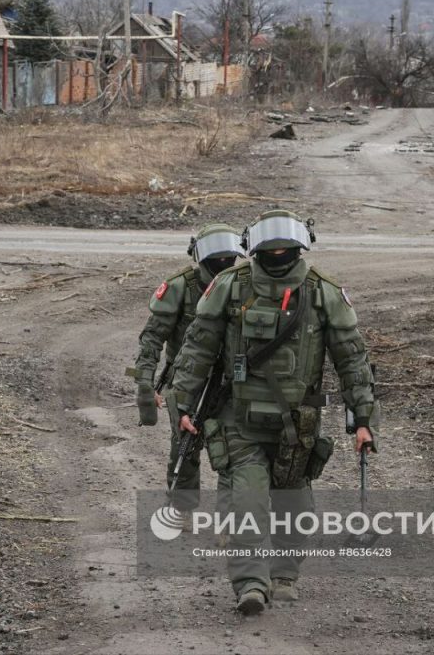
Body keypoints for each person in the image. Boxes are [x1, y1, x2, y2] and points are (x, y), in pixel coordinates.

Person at [166, 209, 377, 615]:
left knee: (294, 509)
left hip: (297, 427)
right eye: (271, 247)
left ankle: (284, 575)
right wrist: (183, 407)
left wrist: (364, 421)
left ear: (299, 246)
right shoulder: (229, 288)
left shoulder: (322, 293)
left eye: (285, 247)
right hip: (238, 419)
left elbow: (352, 360)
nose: (278, 252)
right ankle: (250, 584)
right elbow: (197, 350)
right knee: (245, 501)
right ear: (254, 247)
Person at [127, 223, 244, 518]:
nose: (223, 262)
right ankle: (182, 509)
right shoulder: (180, 286)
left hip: (229, 383)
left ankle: (231, 517)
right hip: (186, 380)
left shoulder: (243, 285)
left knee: (231, 450)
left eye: (228, 255)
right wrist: (146, 382)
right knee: (185, 447)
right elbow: (152, 337)